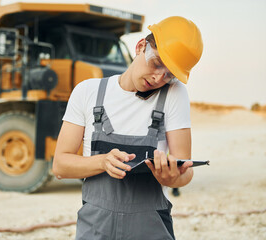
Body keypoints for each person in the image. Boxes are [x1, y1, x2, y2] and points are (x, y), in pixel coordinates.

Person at [53, 16, 203, 240]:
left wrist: (172, 178)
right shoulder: (87, 92)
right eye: (157, 63)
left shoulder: (174, 93)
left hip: (150, 227)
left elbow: (185, 170)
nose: (159, 77)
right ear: (141, 46)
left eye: (170, 74)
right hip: (96, 227)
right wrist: (102, 162)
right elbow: (60, 166)